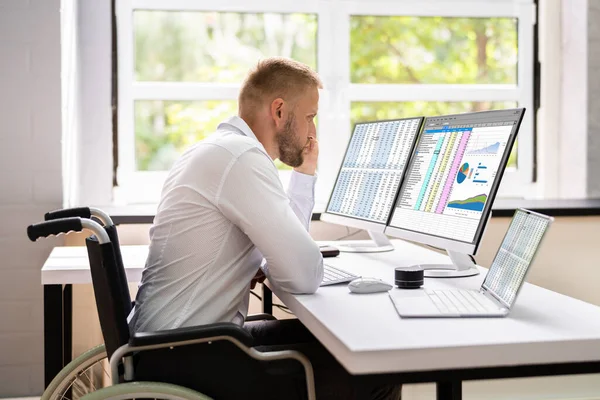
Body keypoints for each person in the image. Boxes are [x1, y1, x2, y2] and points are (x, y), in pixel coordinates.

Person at [128, 57, 401, 400]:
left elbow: (287, 254)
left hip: (171, 347)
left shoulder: (219, 149)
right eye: (309, 118)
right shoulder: (240, 158)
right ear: (279, 111)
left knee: (337, 341)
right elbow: (302, 273)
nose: (312, 133)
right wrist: (283, 260)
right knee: (376, 365)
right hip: (187, 359)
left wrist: (304, 173)